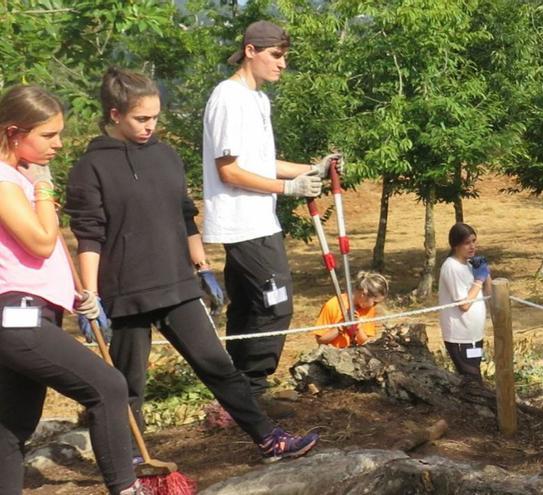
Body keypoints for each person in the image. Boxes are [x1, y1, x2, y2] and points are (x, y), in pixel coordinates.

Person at [65, 68, 318, 464]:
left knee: (218, 366)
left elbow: (184, 215)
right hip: (125, 292)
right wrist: (90, 295)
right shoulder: (89, 168)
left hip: (178, 284)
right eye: (141, 119)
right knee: (129, 384)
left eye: (155, 117)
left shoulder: (166, 156)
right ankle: (131, 462)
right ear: (115, 115)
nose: (151, 126)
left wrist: (201, 266)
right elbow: (89, 235)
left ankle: (269, 440)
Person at [0, 85, 146, 495]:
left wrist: (75, 289)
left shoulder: (16, 178)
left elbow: (40, 254)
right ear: (14, 132)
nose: (59, 145)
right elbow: (41, 242)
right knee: (109, 386)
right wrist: (45, 190)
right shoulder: (4, 180)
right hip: (16, 314)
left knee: (11, 427)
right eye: (48, 135)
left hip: (35, 309)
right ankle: (126, 488)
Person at [201, 20, 342, 412]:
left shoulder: (258, 100)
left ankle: (238, 395)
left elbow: (262, 163)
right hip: (240, 221)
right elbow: (229, 170)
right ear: (251, 51)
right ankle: (254, 392)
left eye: (284, 57)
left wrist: (311, 169)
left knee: (248, 306)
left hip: (261, 219)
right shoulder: (227, 97)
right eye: (276, 56)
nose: (282, 64)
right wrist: (288, 189)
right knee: (275, 304)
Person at [438, 223, 492, 383]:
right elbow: (464, 305)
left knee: (475, 379)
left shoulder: (469, 265)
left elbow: (489, 295)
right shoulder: (451, 267)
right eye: (467, 243)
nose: (472, 246)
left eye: (474, 241)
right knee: (473, 381)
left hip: (474, 334)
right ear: (455, 245)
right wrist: (478, 280)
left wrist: (486, 273)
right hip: (459, 336)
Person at [313, 271, 389, 348]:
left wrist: (357, 327)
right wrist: (341, 326)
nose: (375, 305)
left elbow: (366, 342)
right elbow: (320, 340)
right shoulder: (332, 305)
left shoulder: (369, 309)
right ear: (363, 294)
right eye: (375, 302)